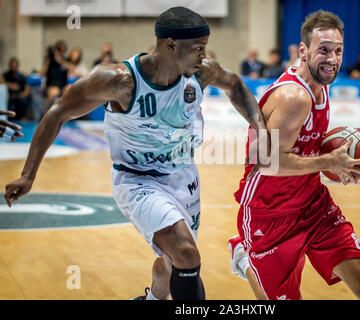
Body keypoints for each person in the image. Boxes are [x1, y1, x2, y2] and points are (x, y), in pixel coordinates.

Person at [4, 6, 267, 301]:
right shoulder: (120, 81)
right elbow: (58, 112)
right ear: (170, 46)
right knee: (186, 253)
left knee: (172, 262)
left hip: (184, 176)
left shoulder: (201, 73)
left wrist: (259, 127)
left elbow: (234, 85)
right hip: (137, 180)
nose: (203, 56)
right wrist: (28, 175)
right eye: (198, 49)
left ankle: (153, 299)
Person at [228, 10, 360, 300]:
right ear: (303, 51)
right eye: (324, 50)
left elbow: (304, 145)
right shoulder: (294, 97)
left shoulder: (322, 83)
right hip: (270, 215)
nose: (332, 59)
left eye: (338, 51)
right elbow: (269, 163)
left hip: (313, 205)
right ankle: (245, 257)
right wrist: (329, 161)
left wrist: (346, 155)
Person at [40, 40, 70, 113]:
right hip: (50, 86)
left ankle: (66, 113)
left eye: (63, 50)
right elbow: (41, 73)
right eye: (59, 50)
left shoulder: (66, 60)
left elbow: (72, 69)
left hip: (63, 86)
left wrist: (60, 61)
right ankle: (46, 112)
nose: (61, 52)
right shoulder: (50, 61)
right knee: (54, 91)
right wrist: (48, 59)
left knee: (70, 88)